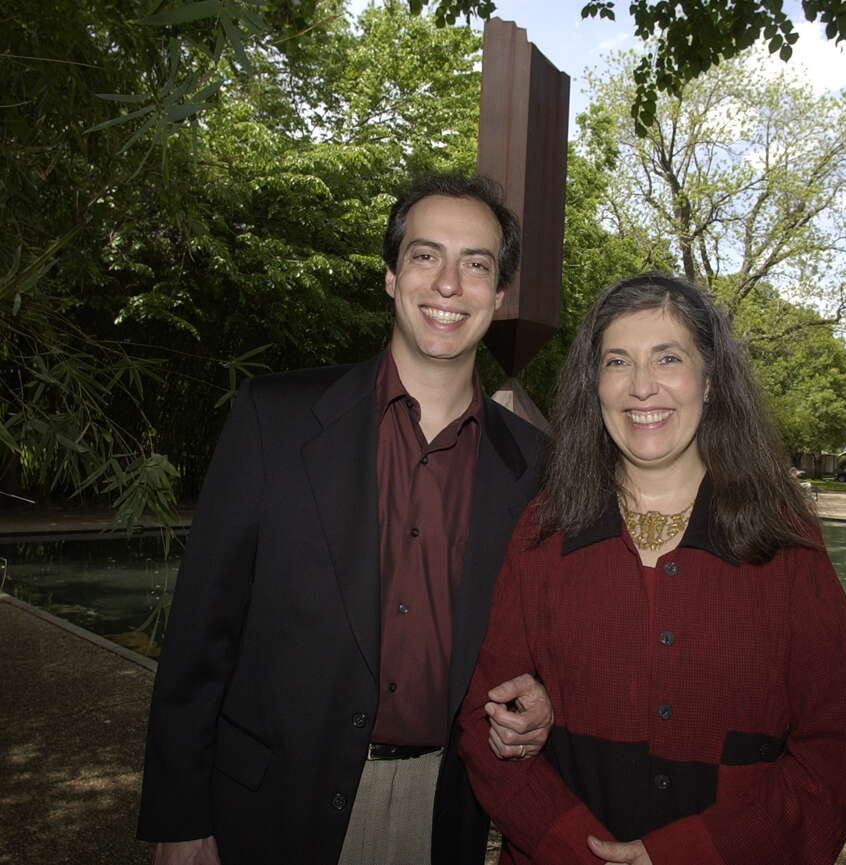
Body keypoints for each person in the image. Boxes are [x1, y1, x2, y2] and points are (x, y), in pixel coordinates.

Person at [138, 174, 554, 865]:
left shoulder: (536, 469)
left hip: (439, 812)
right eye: (426, 256)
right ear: (391, 277)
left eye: (476, 264)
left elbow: (541, 638)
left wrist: (542, 693)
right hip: (264, 807)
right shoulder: (275, 419)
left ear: (499, 295)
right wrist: (181, 818)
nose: (449, 283)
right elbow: (199, 635)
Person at [459, 273, 846, 864]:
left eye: (668, 358)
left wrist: (689, 852)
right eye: (618, 361)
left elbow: (832, 747)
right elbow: (482, 714)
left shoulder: (785, 541)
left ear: (711, 381)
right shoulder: (542, 532)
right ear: (593, 384)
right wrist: (576, 848)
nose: (642, 387)